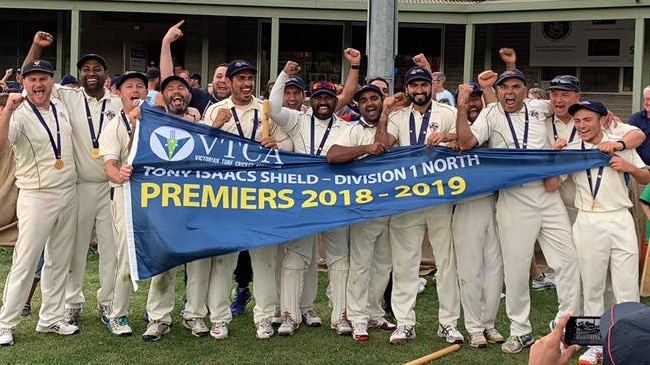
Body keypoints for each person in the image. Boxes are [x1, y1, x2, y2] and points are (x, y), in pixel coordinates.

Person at [455, 68, 582, 354]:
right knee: (515, 268)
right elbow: (465, 143)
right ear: (498, 91)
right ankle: (520, 330)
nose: (509, 92)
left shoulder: (540, 107)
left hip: (548, 195)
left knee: (568, 260)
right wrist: (461, 108)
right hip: (514, 196)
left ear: (525, 90)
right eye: (504, 88)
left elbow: (568, 105)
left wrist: (607, 115)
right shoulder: (490, 114)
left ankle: (566, 327)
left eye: (515, 86)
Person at [21, 31, 121, 326]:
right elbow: (29, 79)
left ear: (106, 74)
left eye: (96, 69)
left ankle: (107, 302)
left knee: (110, 249)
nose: (91, 74)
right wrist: (36, 47)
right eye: (85, 69)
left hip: (111, 186)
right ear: (79, 74)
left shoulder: (116, 104)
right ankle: (72, 302)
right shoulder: (67, 97)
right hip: (80, 186)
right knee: (75, 249)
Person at [545, 100, 649, 364]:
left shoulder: (619, 143)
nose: (581, 126)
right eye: (577, 121)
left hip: (620, 218)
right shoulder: (571, 150)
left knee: (626, 285)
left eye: (587, 120)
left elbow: (645, 177)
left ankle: (632, 344)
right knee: (592, 286)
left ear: (602, 120)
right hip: (588, 221)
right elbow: (550, 186)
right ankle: (596, 344)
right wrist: (554, 157)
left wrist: (630, 168)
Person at [268, 54, 360, 337]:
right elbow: (272, 108)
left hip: (335, 201)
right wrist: (283, 75)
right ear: (311, 101)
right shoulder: (297, 120)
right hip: (303, 200)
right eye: (318, 97)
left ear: (336, 101)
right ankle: (289, 315)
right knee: (295, 256)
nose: (323, 102)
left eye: (328, 98)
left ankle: (340, 316)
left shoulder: (348, 127)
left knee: (339, 257)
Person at [201, 58, 292, 340]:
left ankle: (264, 317)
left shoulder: (264, 109)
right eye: (240, 78)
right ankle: (218, 318)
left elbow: (288, 141)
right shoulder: (216, 110)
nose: (247, 83)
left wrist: (277, 144)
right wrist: (215, 126)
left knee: (264, 260)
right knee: (223, 261)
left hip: (259, 195)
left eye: (250, 78)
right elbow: (200, 147)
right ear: (229, 82)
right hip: (226, 196)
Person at [374, 65, 460, 345]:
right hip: (407, 198)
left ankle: (448, 323)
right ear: (407, 89)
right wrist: (385, 114)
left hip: (439, 196)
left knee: (446, 262)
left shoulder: (447, 113)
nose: (419, 91)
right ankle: (405, 322)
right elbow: (382, 145)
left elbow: (465, 142)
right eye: (414, 86)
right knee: (404, 263)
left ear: (431, 86)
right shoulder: (399, 117)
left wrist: (447, 138)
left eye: (423, 85)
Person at [0, 60, 79, 346]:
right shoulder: (19, 113)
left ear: (51, 81)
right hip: (36, 194)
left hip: (68, 191)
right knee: (26, 260)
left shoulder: (59, 105)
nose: (38, 85)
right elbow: (1, 144)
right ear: (24, 82)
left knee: (58, 259)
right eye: (32, 79)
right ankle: (5, 322)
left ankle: (51, 318)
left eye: (43, 78)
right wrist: (8, 109)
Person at [325, 84, 394, 342]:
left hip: (391, 205)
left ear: (381, 100)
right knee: (361, 263)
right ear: (358, 105)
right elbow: (332, 156)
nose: (369, 104)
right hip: (363, 206)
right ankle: (357, 317)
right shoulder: (350, 129)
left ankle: (374, 311)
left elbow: (387, 144)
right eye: (363, 100)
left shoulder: (392, 123)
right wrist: (364, 149)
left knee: (384, 263)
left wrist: (386, 118)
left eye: (374, 98)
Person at [443, 82, 504, 348]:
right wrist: (450, 136)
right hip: (467, 205)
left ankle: (489, 324)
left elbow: (491, 115)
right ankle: (474, 327)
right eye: (468, 101)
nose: (473, 105)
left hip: (498, 203)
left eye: (476, 100)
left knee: (495, 269)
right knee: (470, 269)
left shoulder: (493, 122)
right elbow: (461, 140)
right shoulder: (454, 130)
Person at [98, 71, 149, 337]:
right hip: (126, 195)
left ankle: (157, 314)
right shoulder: (114, 125)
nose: (135, 89)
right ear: (119, 92)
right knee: (126, 256)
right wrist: (119, 175)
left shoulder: (154, 119)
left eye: (140, 85)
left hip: (155, 197)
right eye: (129, 86)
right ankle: (117, 314)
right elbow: (110, 165)